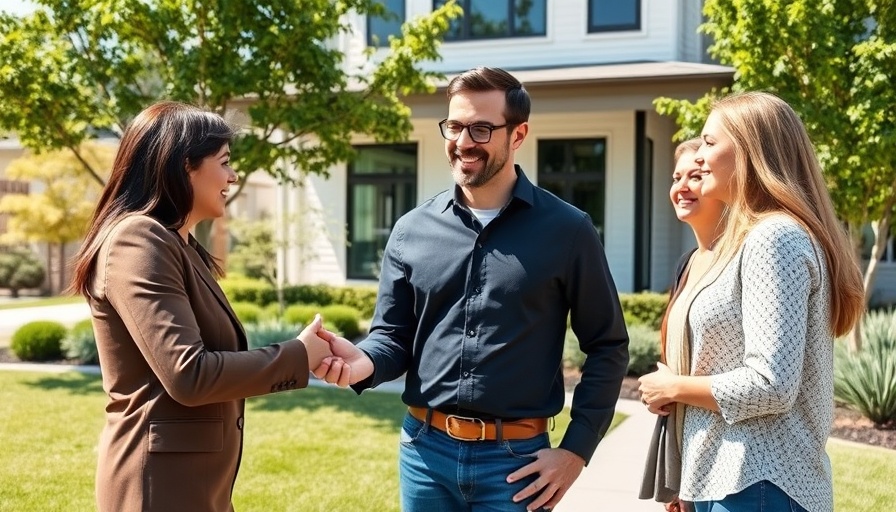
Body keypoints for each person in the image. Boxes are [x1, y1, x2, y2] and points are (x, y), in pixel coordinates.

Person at [314, 66, 629, 511]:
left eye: (481, 128)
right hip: (424, 454)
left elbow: (608, 345)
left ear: (517, 135)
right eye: (455, 126)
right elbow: (394, 336)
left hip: (518, 464)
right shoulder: (411, 230)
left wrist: (576, 450)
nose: (463, 142)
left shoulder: (569, 230)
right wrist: (363, 360)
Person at [69, 101, 334, 512]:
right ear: (183, 166)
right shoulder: (138, 240)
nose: (233, 176)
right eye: (224, 162)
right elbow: (189, 374)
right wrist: (298, 355)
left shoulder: (180, 244)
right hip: (157, 489)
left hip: (194, 485)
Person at [638, 92, 865, 512]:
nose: (699, 156)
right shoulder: (747, 242)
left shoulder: (773, 238)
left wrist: (675, 387)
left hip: (758, 482)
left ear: (748, 151)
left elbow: (771, 385)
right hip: (730, 481)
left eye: (709, 142)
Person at [639, 138, 727, 512]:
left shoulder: (742, 258)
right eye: (677, 177)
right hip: (689, 452)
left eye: (696, 175)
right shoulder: (687, 264)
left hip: (730, 457)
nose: (682, 187)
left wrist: (673, 386)